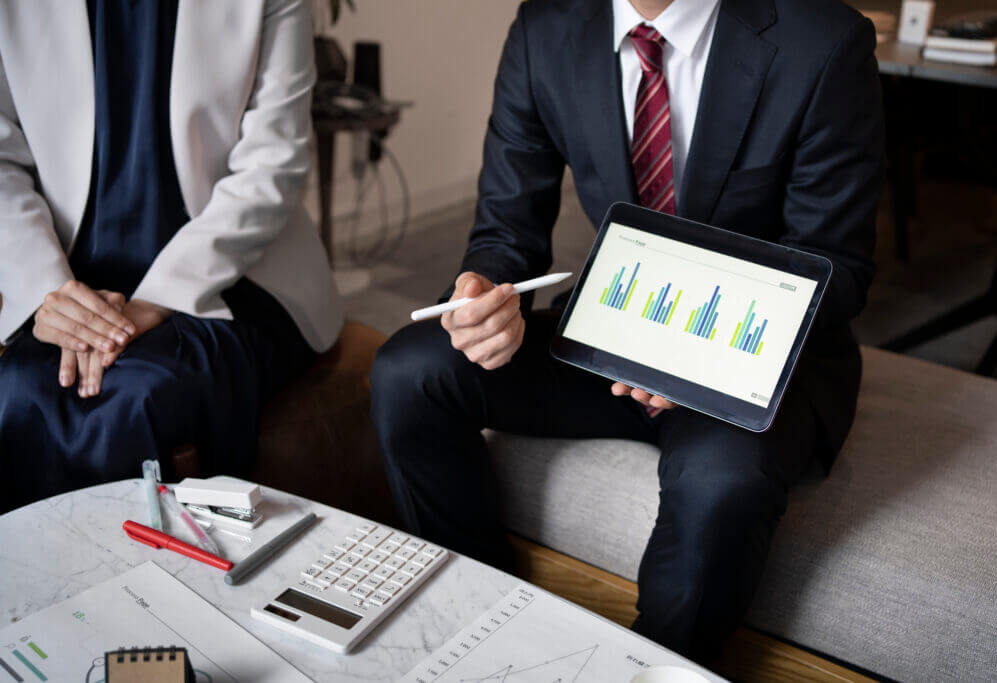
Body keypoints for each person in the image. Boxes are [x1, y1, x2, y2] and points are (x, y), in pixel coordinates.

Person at [371, 0, 883, 661]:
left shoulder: (823, 40)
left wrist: (697, 355)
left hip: (761, 357)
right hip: (616, 334)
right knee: (409, 371)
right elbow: (506, 231)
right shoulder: (547, 27)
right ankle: (480, 629)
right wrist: (480, 288)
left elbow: (837, 265)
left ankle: (649, 670)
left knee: (720, 478)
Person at [0, 0, 342, 512]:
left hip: (233, 274)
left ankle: (151, 588)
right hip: (73, 275)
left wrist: (158, 299)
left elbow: (275, 164)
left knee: (139, 397)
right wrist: (50, 292)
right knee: (20, 389)